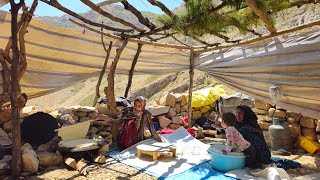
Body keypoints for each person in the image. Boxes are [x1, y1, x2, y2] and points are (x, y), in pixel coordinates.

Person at [94, 96, 161, 150]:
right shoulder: (128, 111)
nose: (136, 107)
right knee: (131, 123)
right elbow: (117, 121)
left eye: (139, 106)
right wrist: (102, 117)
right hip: (126, 138)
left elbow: (151, 129)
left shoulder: (146, 114)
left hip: (138, 138)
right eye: (135, 105)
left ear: (143, 106)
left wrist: (159, 140)